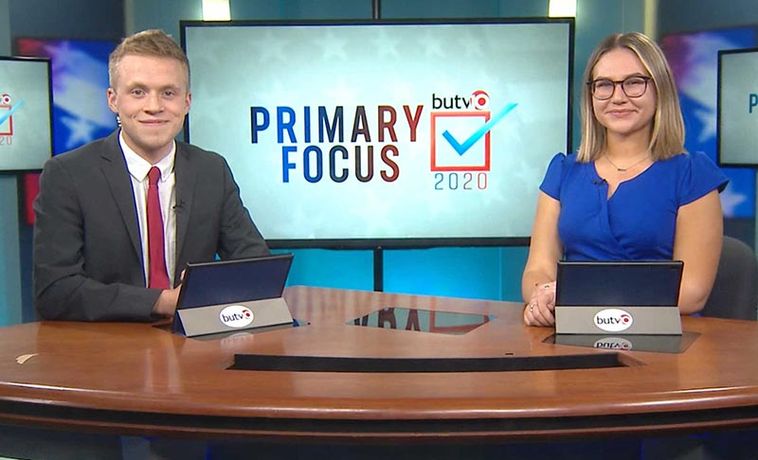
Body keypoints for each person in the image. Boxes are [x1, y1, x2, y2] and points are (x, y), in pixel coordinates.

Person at [33, 29, 269, 322]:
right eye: (138, 92)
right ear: (113, 100)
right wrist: (162, 301)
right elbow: (55, 291)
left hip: (194, 346)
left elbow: (255, 265)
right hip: (103, 348)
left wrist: (211, 288)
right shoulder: (68, 175)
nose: (154, 106)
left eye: (168, 93)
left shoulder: (211, 170)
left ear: (187, 102)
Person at [521, 32, 728, 327]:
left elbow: (692, 291)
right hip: (571, 331)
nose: (618, 97)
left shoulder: (692, 175)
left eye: (634, 82)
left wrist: (577, 296)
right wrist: (541, 296)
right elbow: (538, 268)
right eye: (604, 85)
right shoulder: (563, 171)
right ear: (591, 96)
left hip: (661, 338)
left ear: (659, 89)